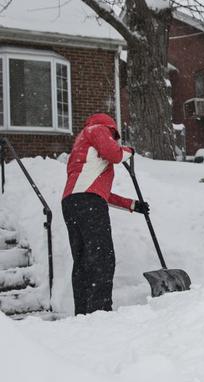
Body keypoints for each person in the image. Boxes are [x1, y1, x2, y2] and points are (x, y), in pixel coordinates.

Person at [61, 113, 148, 315]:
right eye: (114, 136)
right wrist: (129, 151)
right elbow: (115, 154)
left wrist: (132, 205)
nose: (113, 140)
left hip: (72, 204)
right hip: (88, 203)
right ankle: (100, 312)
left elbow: (98, 192)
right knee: (102, 257)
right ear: (111, 129)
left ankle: (83, 313)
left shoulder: (83, 150)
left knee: (83, 260)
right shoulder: (96, 129)